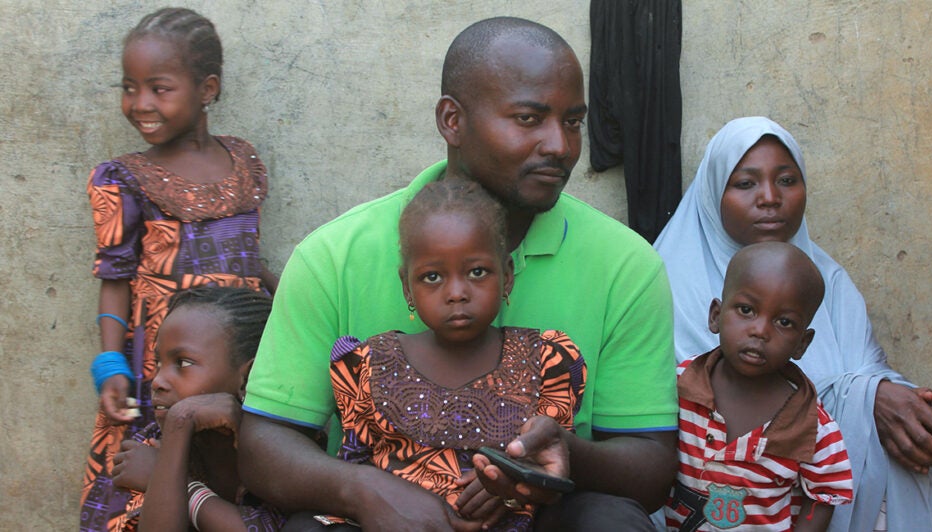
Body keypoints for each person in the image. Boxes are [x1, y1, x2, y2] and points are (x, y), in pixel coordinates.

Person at [239, 16, 678, 532]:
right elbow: (263, 443)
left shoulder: (626, 266)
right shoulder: (334, 255)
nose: (560, 145)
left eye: (574, 122)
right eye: (529, 118)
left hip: (540, 516)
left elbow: (651, 467)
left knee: (610, 520)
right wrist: (366, 490)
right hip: (382, 521)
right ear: (452, 120)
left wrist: (562, 458)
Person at [653, 116, 932, 531]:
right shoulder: (669, 281)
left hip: (824, 461)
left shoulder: (827, 280)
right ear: (711, 194)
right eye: (746, 183)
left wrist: (891, 403)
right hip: (717, 483)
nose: (770, 197)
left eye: (787, 181)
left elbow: (867, 375)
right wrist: (868, 399)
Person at [80, 8, 278, 531]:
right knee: (150, 473)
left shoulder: (245, 164)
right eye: (130, 87)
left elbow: (249, 260)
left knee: (232, 465)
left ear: (207, 88)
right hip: (159, 367)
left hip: (233, 359)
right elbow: (116, 279)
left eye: (159, 88)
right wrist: (110, 365)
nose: (141, 103)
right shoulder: (124, 178)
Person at [294, 180, 586, 531]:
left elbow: (550, 463)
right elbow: (353, 464)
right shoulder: (369, 363)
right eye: (432, 277)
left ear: (507, 276)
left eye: (477, 272)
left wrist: (511, 485)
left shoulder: (545, 361)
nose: (457, 293)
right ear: (407, 288)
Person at [664, 242, 853, 532]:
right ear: (716, 315)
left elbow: (824, 496)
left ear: (803, 342)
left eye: (784, 322)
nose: (760, 330)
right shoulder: (679, 386)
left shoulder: (811, 425)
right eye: (746, 310)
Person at [107, 286, 284, 531]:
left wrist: (184, 487)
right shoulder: (151, 444)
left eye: (183, 363)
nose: (158, 381)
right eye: (159, 363)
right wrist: (179, 427)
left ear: (248, 378)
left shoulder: (282, 447)